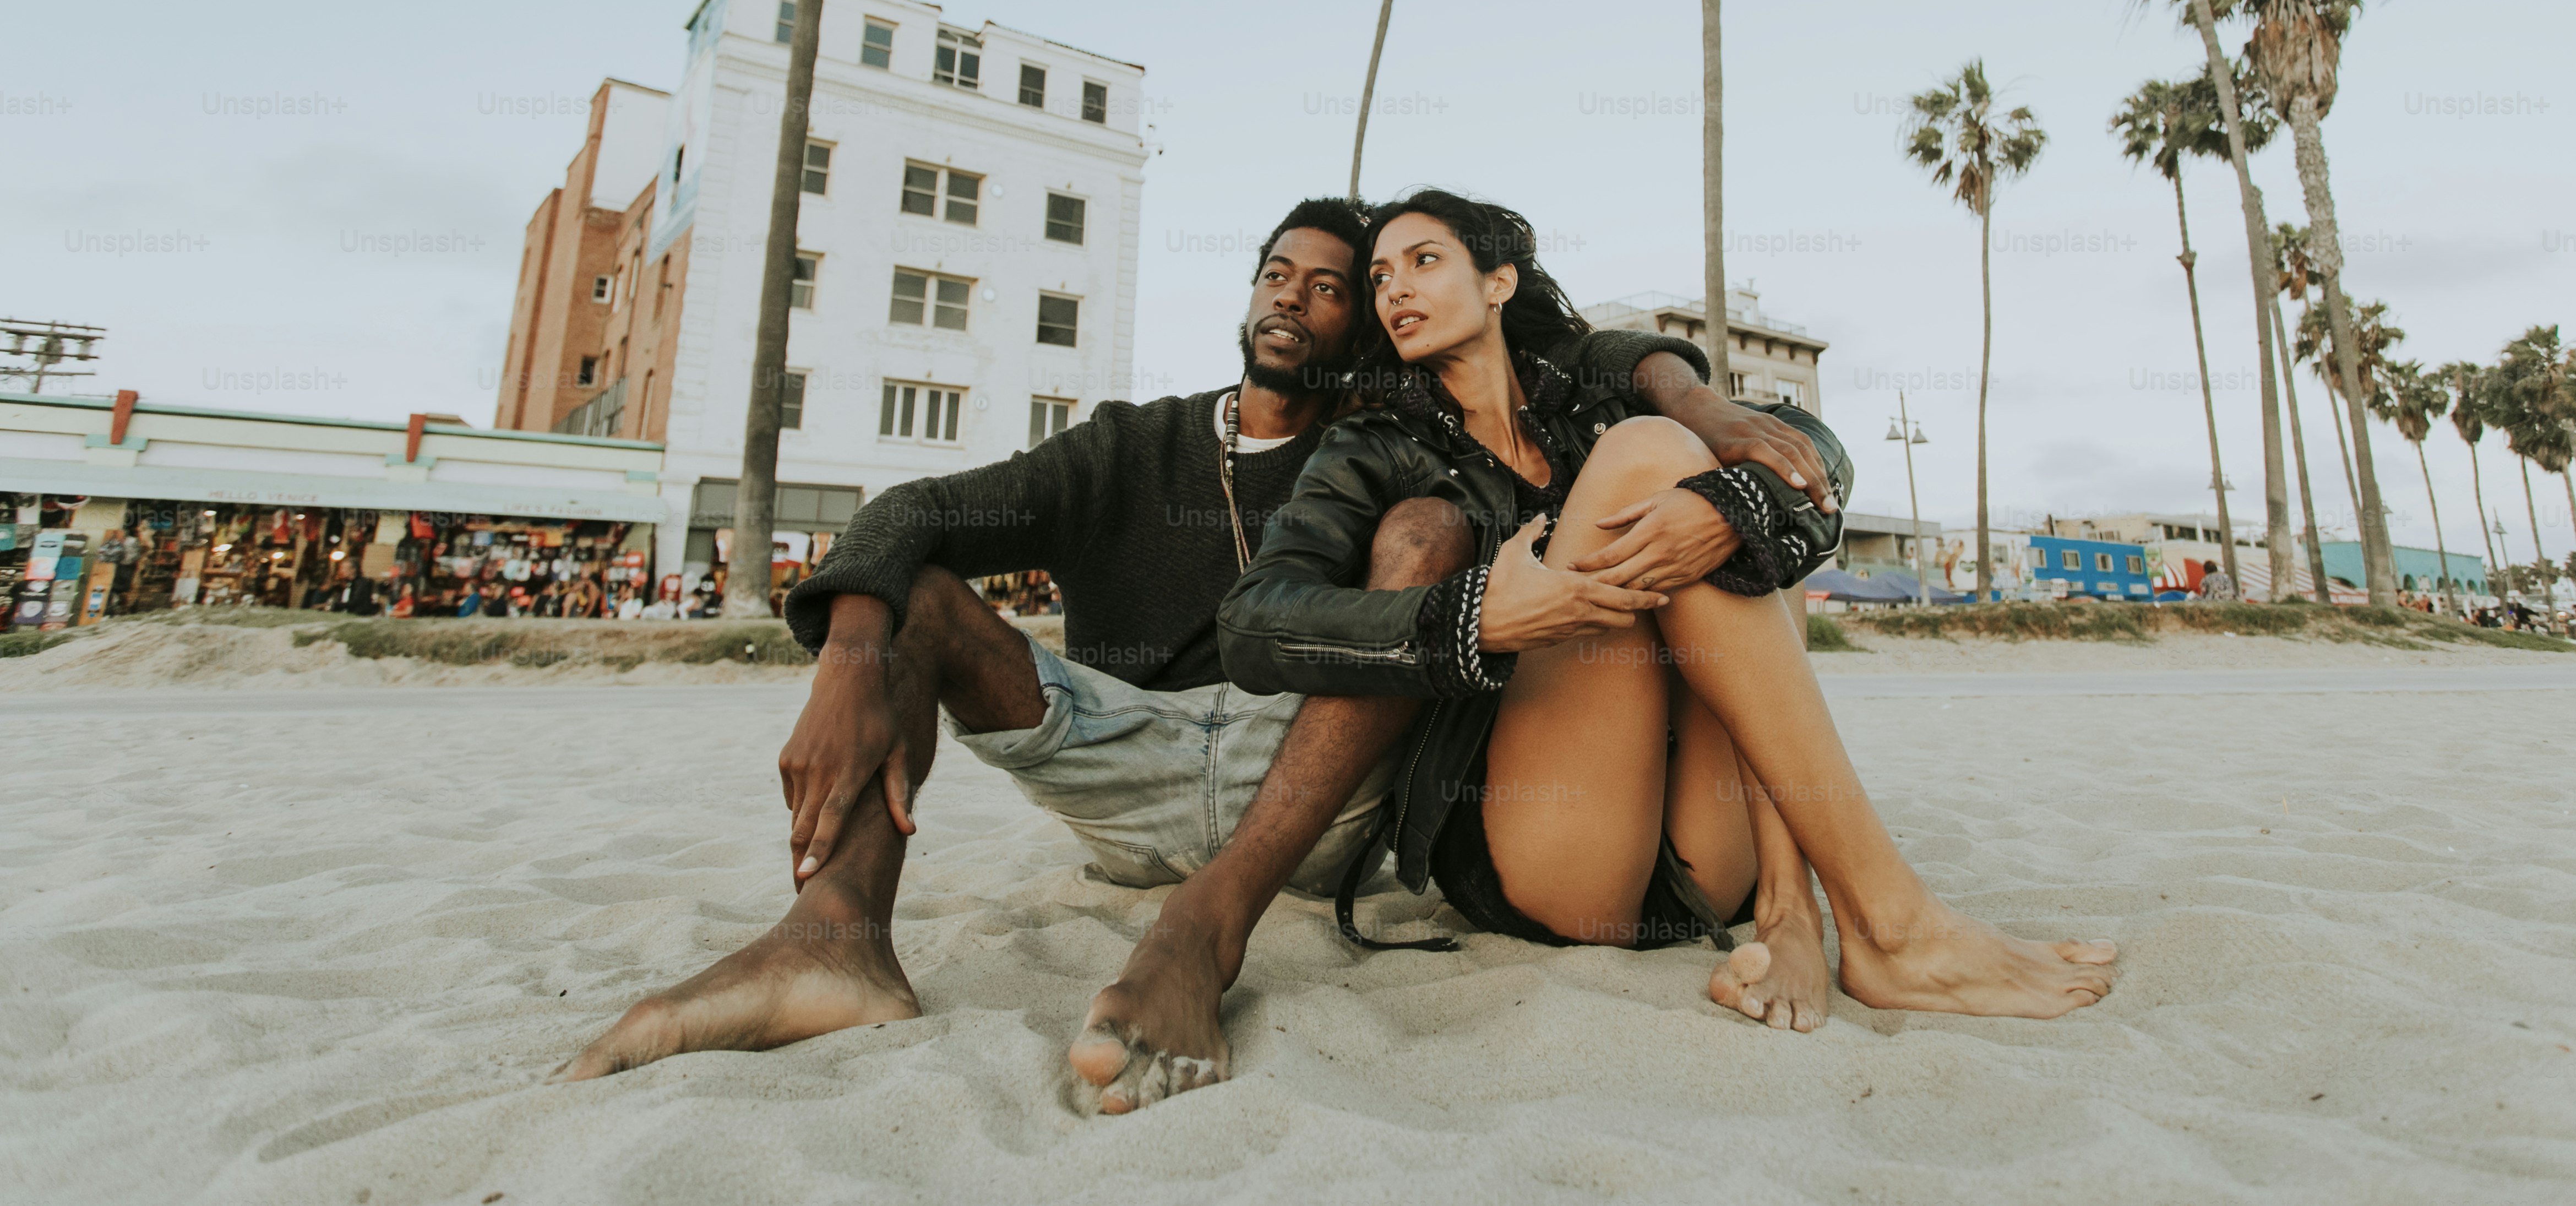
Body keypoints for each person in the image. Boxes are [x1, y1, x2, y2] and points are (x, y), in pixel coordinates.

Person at [558, 197, 1788, 1110]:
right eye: (1274, 275)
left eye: (1329, 288)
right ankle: (833, 941)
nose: (1291, 300)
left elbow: (1571, 385)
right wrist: (847, 646)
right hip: (1125, 757)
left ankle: (1208, 929)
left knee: (1420, 539)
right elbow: (912, 513)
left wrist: (1678, 396)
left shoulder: (1391, 447)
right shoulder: (1126, 447)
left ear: (1371, 323)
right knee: (914, 601)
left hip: (1317, 779)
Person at [1222, 190, 2119, 1030]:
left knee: (1738, 500)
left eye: (1423, 261)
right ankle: (1893, 924)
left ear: (1498, 283)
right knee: (1657, 453)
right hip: (1549, 849)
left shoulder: (1590, 396)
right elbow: (1255, 620)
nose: (1395, 290)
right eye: (1379, 277)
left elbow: (1815, 459)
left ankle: (1789, 913)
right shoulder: (1374, 444)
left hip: (1705, 859)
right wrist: (1475, 614)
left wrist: (1728, 503)